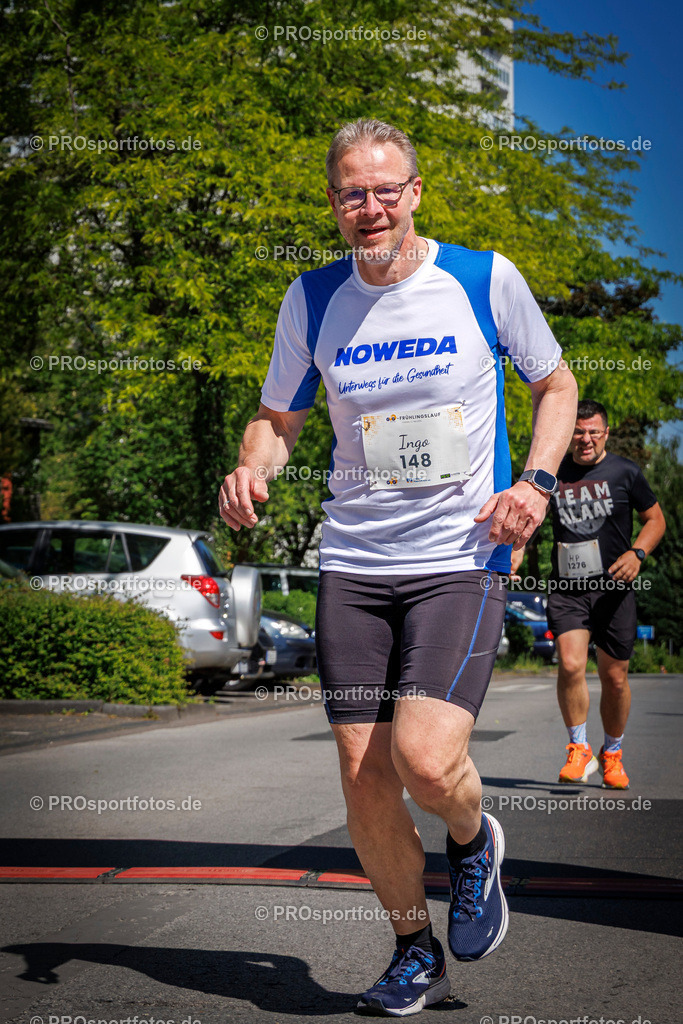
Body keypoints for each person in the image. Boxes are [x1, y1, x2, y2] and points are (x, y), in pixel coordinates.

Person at [219, 118, 577, 1016]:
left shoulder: (482, 278)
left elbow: (556, 388)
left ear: (414, 191)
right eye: (350, 193)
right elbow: (278, 417)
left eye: (384, 190)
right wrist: (252, 468)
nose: (368, 207)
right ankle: (413, 950)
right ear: (333, 202)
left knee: (423, 759)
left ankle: (469, 838)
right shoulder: (309, 299)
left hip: (460, 556)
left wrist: (533, 484)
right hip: (353, 562)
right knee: (362, 774)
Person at [512, 399, 665, 790]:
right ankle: (578, 748)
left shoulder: (625, 472)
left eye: (594, 432)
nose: (585, 439)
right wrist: (514, 552)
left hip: (614, 589)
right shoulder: (551, 473)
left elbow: (655, 519)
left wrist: (638, 553)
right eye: (578, 432)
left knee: (614, 679)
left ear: (606, 433)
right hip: (567, 589)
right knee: (570, 664)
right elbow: (526, 514)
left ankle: (612, 753)